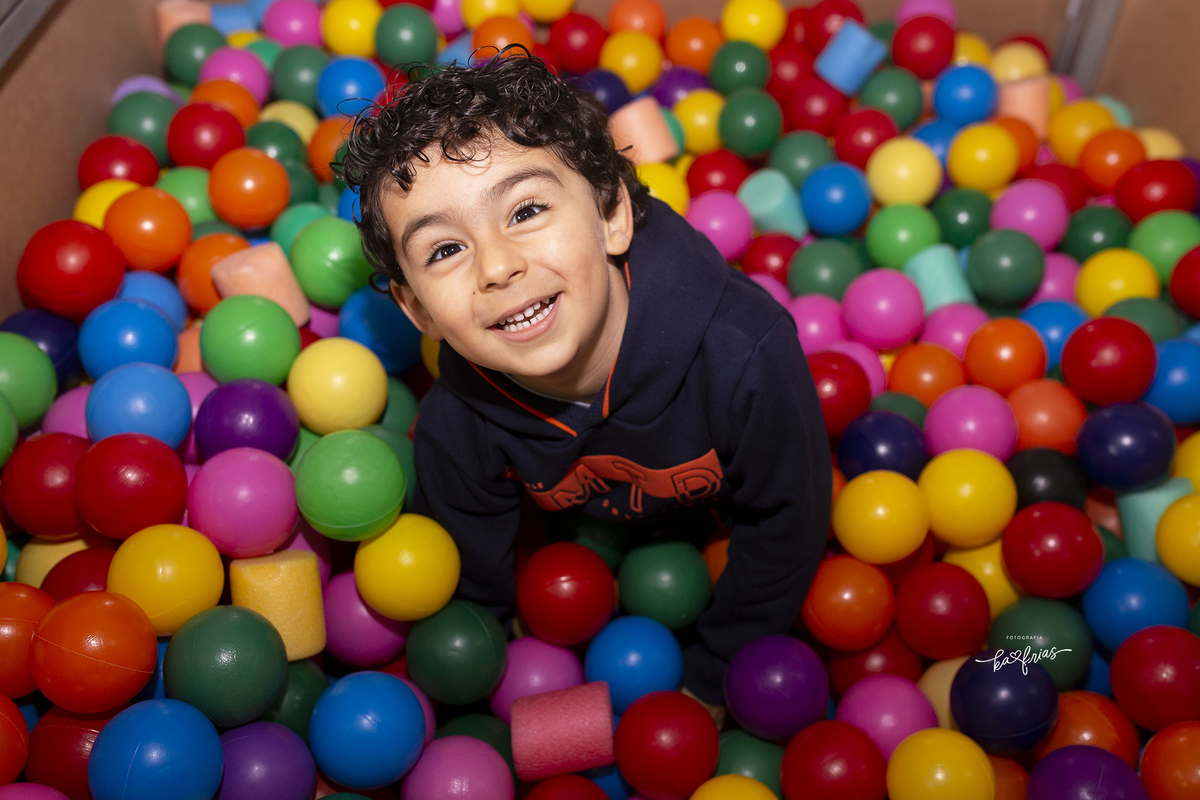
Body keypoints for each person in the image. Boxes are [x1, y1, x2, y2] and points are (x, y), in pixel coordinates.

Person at [336, 49, 831, 711]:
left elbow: (788, 524)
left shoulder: (744, 355)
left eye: (525, 211)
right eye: (445, 250)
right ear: (419, 309)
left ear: (611, 217)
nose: (498, 266)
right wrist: (484, 678)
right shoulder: (461, 420)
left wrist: (716, 673)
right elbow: (475, 586)